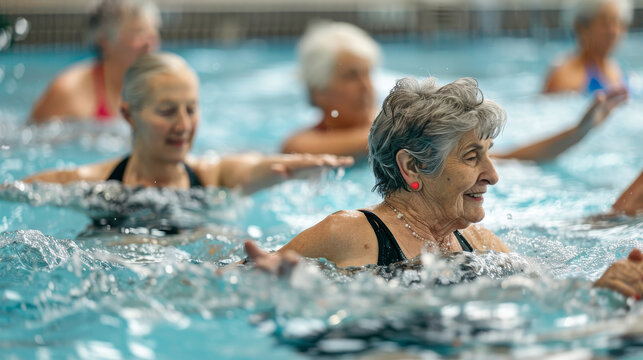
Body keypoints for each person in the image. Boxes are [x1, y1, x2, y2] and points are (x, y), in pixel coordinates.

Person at [246, 77, 643, 299]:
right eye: (472, 157)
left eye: (488, 155)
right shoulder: (350, 233)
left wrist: (606, 290)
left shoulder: (481, 243)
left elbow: (551, 302)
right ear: (412, 166)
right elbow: (245, 279)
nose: (492, 174)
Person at [23, 52, 354, 192]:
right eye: (167, 112)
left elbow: (258, 167)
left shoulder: (212, 176)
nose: (183, 125)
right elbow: (21, 190)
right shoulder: (95, 181)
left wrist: (291, 168)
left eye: (191, 109)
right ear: (129, 116)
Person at [30, 0, 161, 123]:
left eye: (153, 32)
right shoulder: (68, 93)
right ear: (105, 42)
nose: (150, 43)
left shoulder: (162, 87)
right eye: (138, 32)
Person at [282, 21, 380, 158]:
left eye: (367, 73)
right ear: (319, 91)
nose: (366, 86)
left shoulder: (390, 122)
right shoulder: (299, 147)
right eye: (351, 76)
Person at [544, 0, 632, 94]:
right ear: (582, 27)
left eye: (618, 23)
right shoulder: (565, 78)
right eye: (605, 24)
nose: (613, 32)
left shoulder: (616, 71)